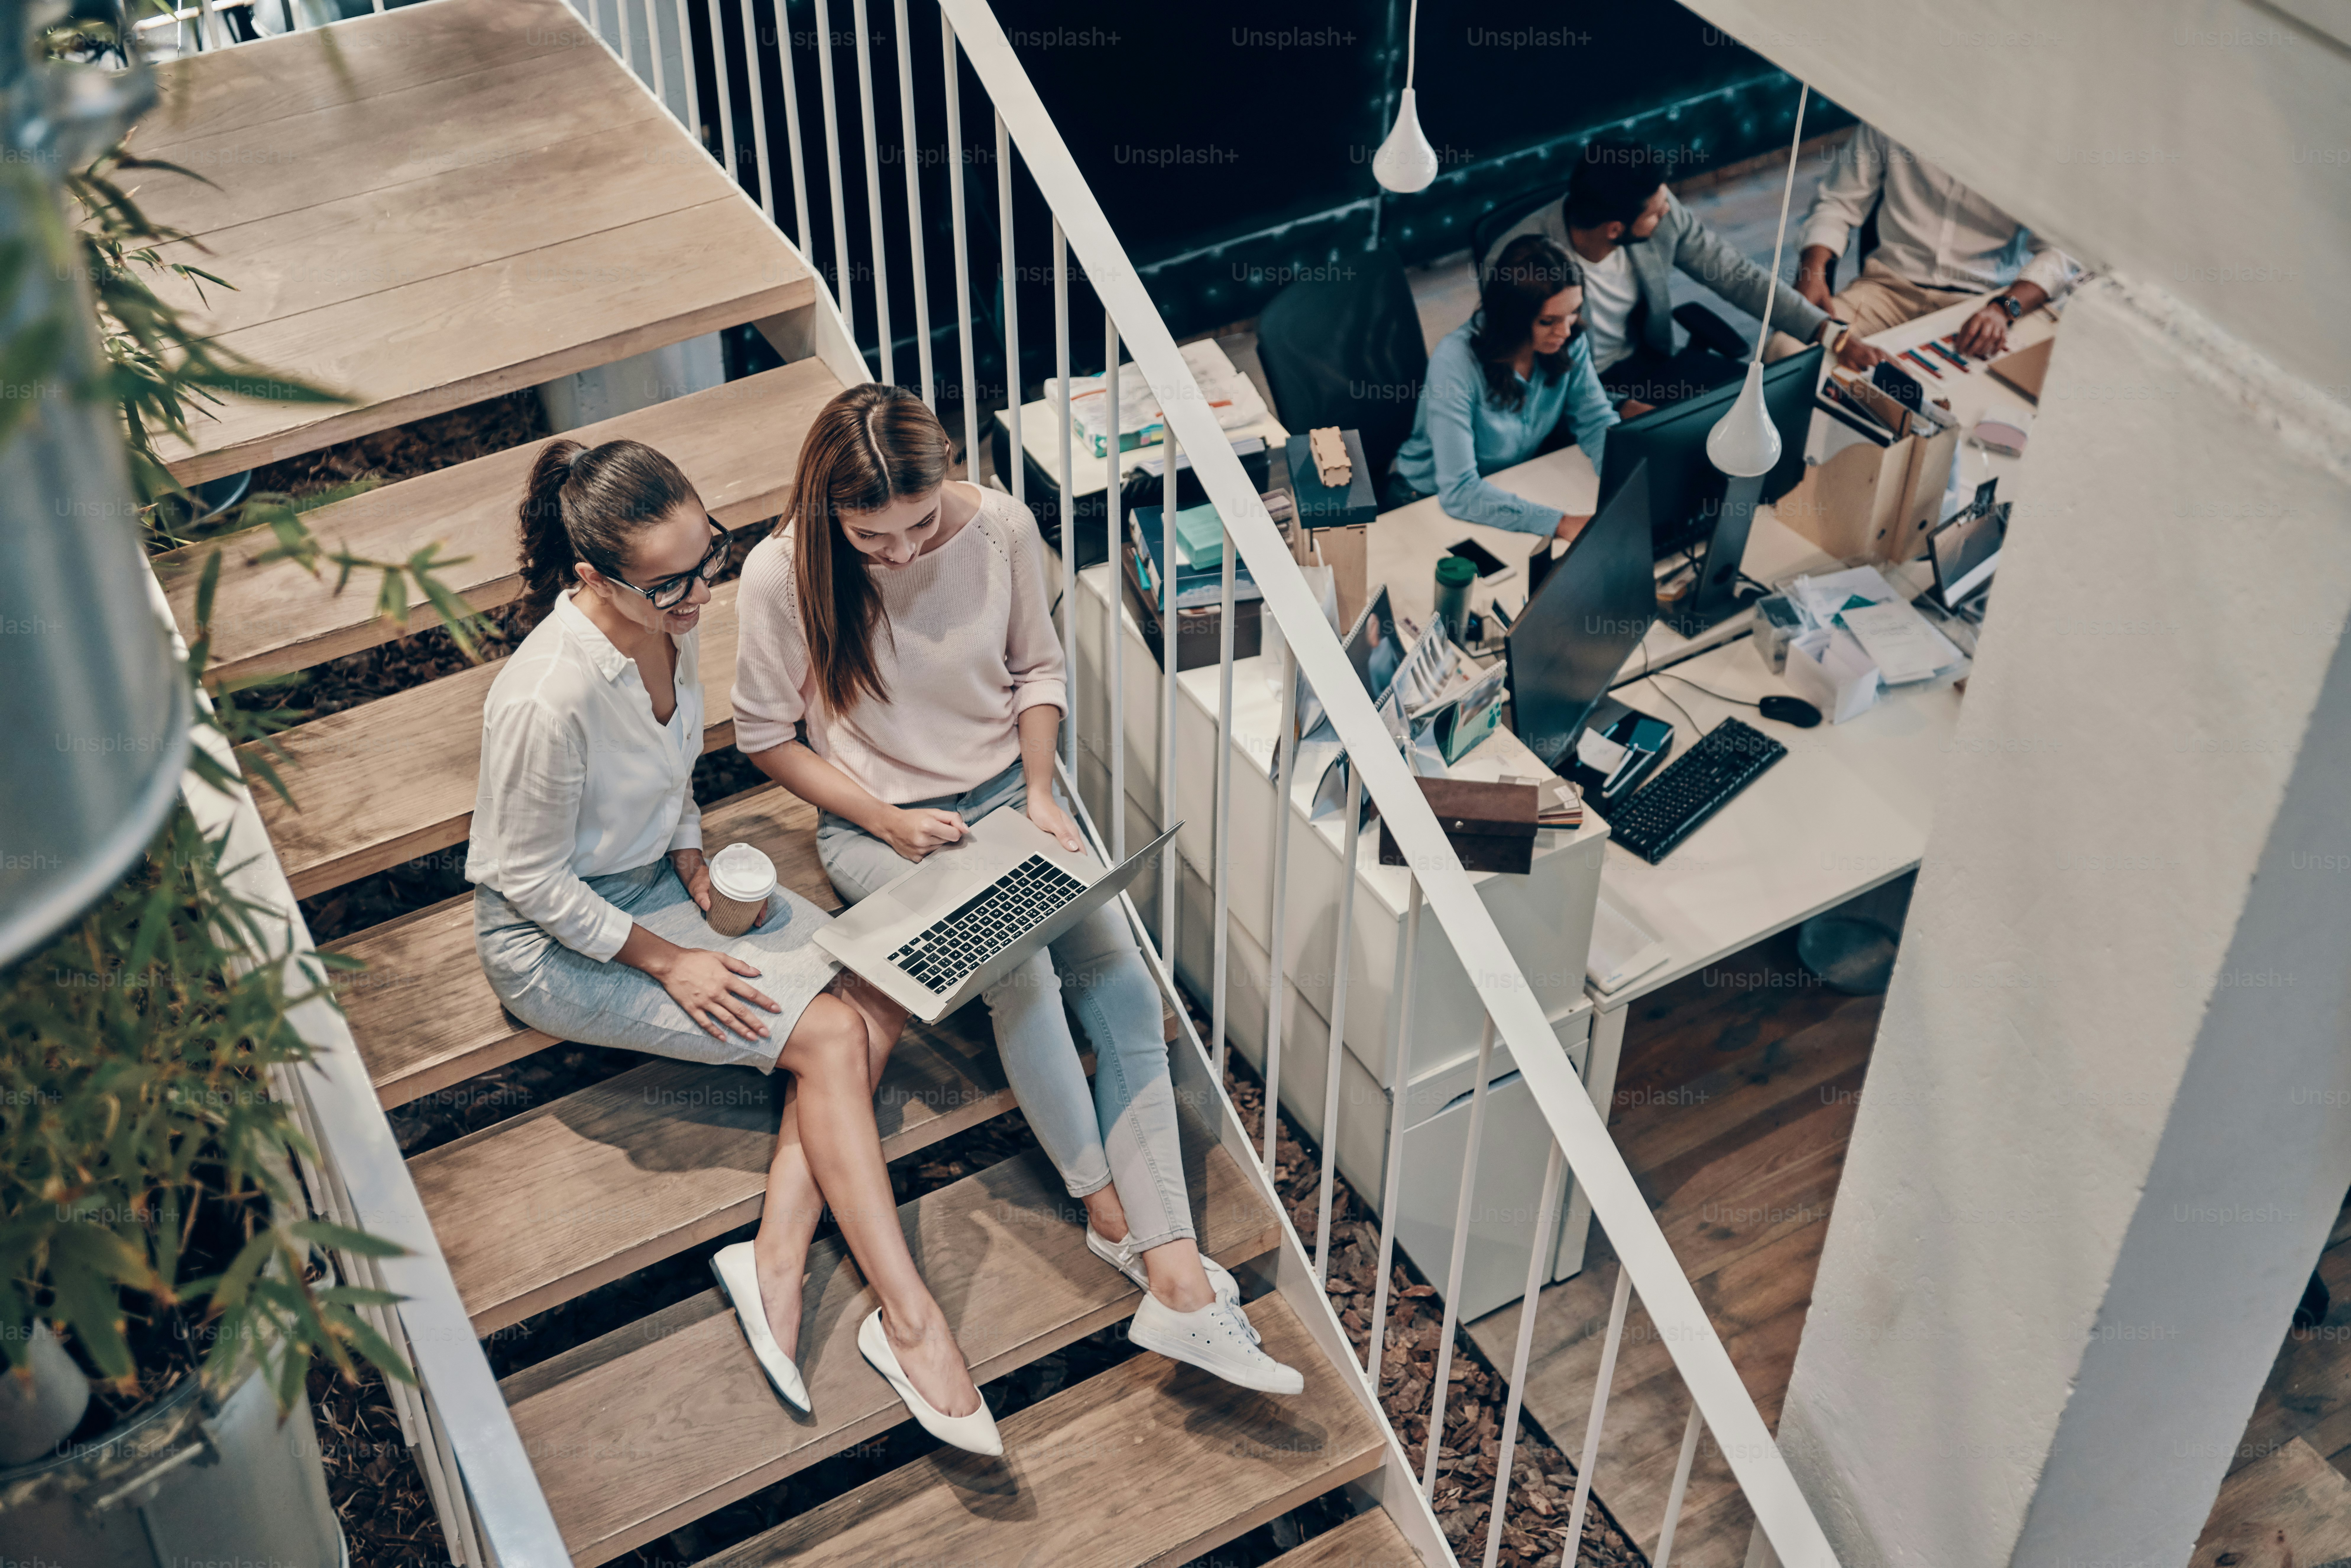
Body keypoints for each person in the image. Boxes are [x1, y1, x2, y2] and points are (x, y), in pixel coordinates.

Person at [732, 383, 1304, 1397]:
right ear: (830, 507)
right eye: (873, 537)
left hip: (1009, 793)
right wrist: (886, 818)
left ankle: (1172, 1275)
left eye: (916, 525)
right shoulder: (781, 571)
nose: (900, 553)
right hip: (886, 825)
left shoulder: (997, 525)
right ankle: (1114, 1219)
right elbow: (765, 737)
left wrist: (1041, 792)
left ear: (945, 469)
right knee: (1023, 973)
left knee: (1125, 983)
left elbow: (1038, 670)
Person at [466, 438, 1000, 1456]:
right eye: (671, 582)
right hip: (554, 942)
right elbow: (525, 880)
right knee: (835, 1040)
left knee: (877, 983)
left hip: (656, 887)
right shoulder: (546, 697)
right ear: (593, 579)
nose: (700, 592)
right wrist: (670, 960)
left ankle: (774, 1256)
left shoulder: (664, 620)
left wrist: (692, 860)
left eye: (708, 557)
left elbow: (669, 775)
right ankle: (912, 1320)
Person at [1488, 137, 1883, 413]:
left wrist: (1828, 332)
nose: (1668, 214)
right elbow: (1516, 372)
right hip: (1569, 390)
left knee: (1764, 404)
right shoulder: (1518, 261)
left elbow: (1736, 275)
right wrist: (1616, 406)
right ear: (1615, 228)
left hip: (1648, 364)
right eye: (1656, 213)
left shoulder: (1659, 211)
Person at [1386, 234, 1617, 540]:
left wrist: (1623, 483)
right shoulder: (1455, 361)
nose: (1565, 330)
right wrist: (1560, 524)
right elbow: (1458, 491)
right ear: (1513, 317)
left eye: (1573, 312)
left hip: (1505, 485)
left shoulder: (1568, 340)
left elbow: (1596, 422)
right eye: (1548, 321)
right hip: (1424, 499)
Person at [1791, 124, 2079, 359]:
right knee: (1788, 347)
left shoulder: (2034, 152)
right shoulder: (1888, 109)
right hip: (1885, 289)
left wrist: (2004, 309)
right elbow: (1837, 202)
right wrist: (1812, 273)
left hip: (1980, 305)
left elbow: (2061, 252)